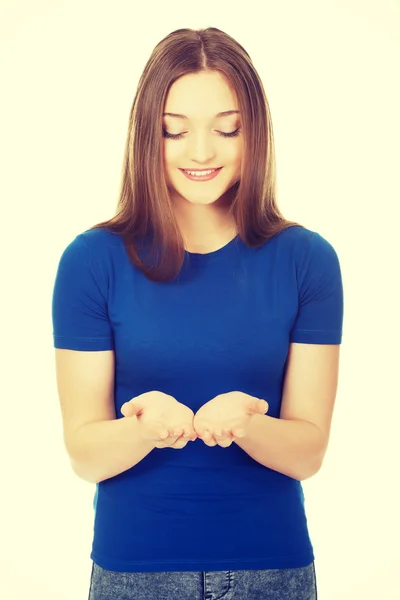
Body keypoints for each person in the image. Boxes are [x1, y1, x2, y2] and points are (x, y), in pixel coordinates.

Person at [52, 27, 343, 600]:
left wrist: (249, 423)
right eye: (175, 131)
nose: (202, 152)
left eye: (226, 129)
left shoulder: (307, 260)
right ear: (147, 136)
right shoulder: (92, 262)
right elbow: (85, 452)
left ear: (253, 132)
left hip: (273, 572)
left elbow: (308, 451)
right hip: (134, 573)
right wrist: (143, 430)